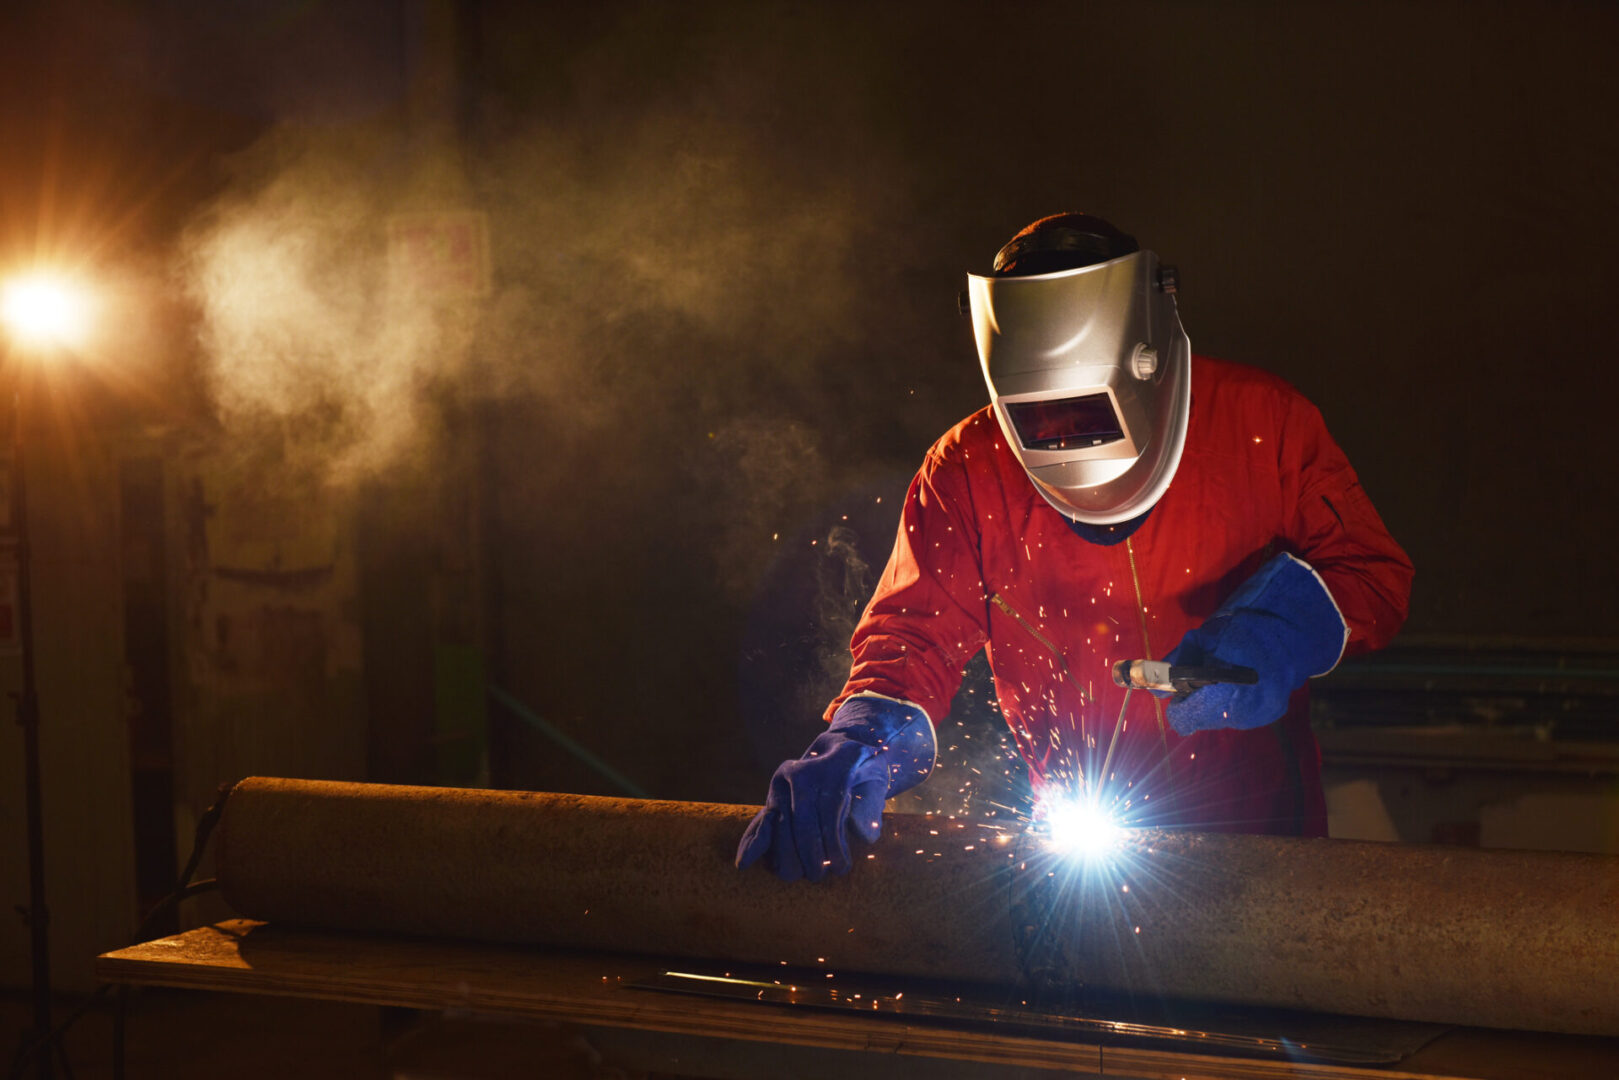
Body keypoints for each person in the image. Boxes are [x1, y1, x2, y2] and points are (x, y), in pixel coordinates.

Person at [736, 213, 1413, 883]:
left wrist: (1279, 631)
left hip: (1262, 845)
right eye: (1037, 418)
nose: (1064, 443)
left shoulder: (1263, 422)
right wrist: (866, 730)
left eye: (1086, 413)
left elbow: (1371, 576)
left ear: (1142, 362)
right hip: (1074, 852)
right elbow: (913, 634)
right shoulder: (968, 466)